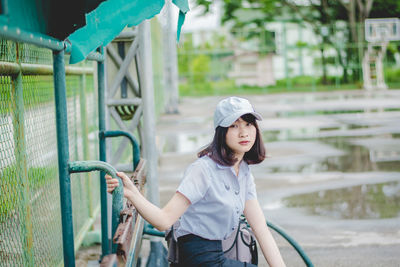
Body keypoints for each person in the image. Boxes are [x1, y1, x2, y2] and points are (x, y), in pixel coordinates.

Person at [106, 96, 286, 267]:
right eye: (234, 126)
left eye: (248, 124)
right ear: (221, 132)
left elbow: (261, 228)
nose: (244, 132)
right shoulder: (203, 170)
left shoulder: (243, 170)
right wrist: (132, 193)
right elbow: (163, 220)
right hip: (198, 258)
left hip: (218, 253)